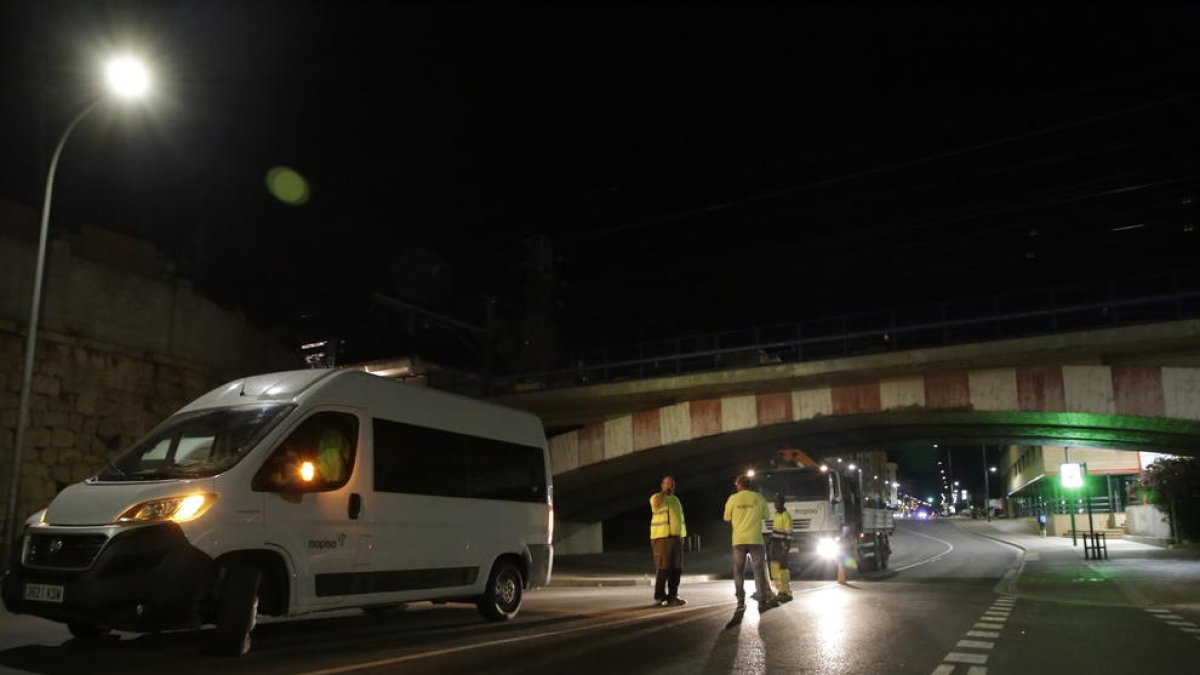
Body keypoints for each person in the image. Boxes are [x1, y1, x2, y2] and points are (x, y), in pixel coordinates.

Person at [724, 474, 775, 611]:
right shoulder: (758, 497)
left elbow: (727, 517)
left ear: (739, 485)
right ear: (750, 485)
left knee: (738, 570)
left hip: (739, 540)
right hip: (755, 539)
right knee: (758, 570)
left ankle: (740, 600)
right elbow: (766, 515)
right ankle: (762, 599)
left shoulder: (733, 499)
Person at [649, 475, 687, 606]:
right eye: (667, 484)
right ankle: (659, 596)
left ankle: (673, 597)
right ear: (662, 485)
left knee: (676, 570)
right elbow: (655, 504)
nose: (670, 486)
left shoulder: (676, 500)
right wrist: (663, 493)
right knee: (663, 568)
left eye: (672, 484)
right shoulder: (657, 497)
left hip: (676, 539)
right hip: (662, 538)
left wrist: (682, 536)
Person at [768, 495, 793, 601]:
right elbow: (776, 531)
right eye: (774, 502)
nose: (774, 504)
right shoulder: (776, 515)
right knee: (774, 567)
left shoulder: (785, 515)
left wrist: (787, 545)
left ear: (781, 503)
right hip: (775, 544)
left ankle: (786, 591)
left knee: (783, 569)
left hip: (782, 545)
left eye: (776, 502)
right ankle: (780, 590)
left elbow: (789, 532)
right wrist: (770, 541)